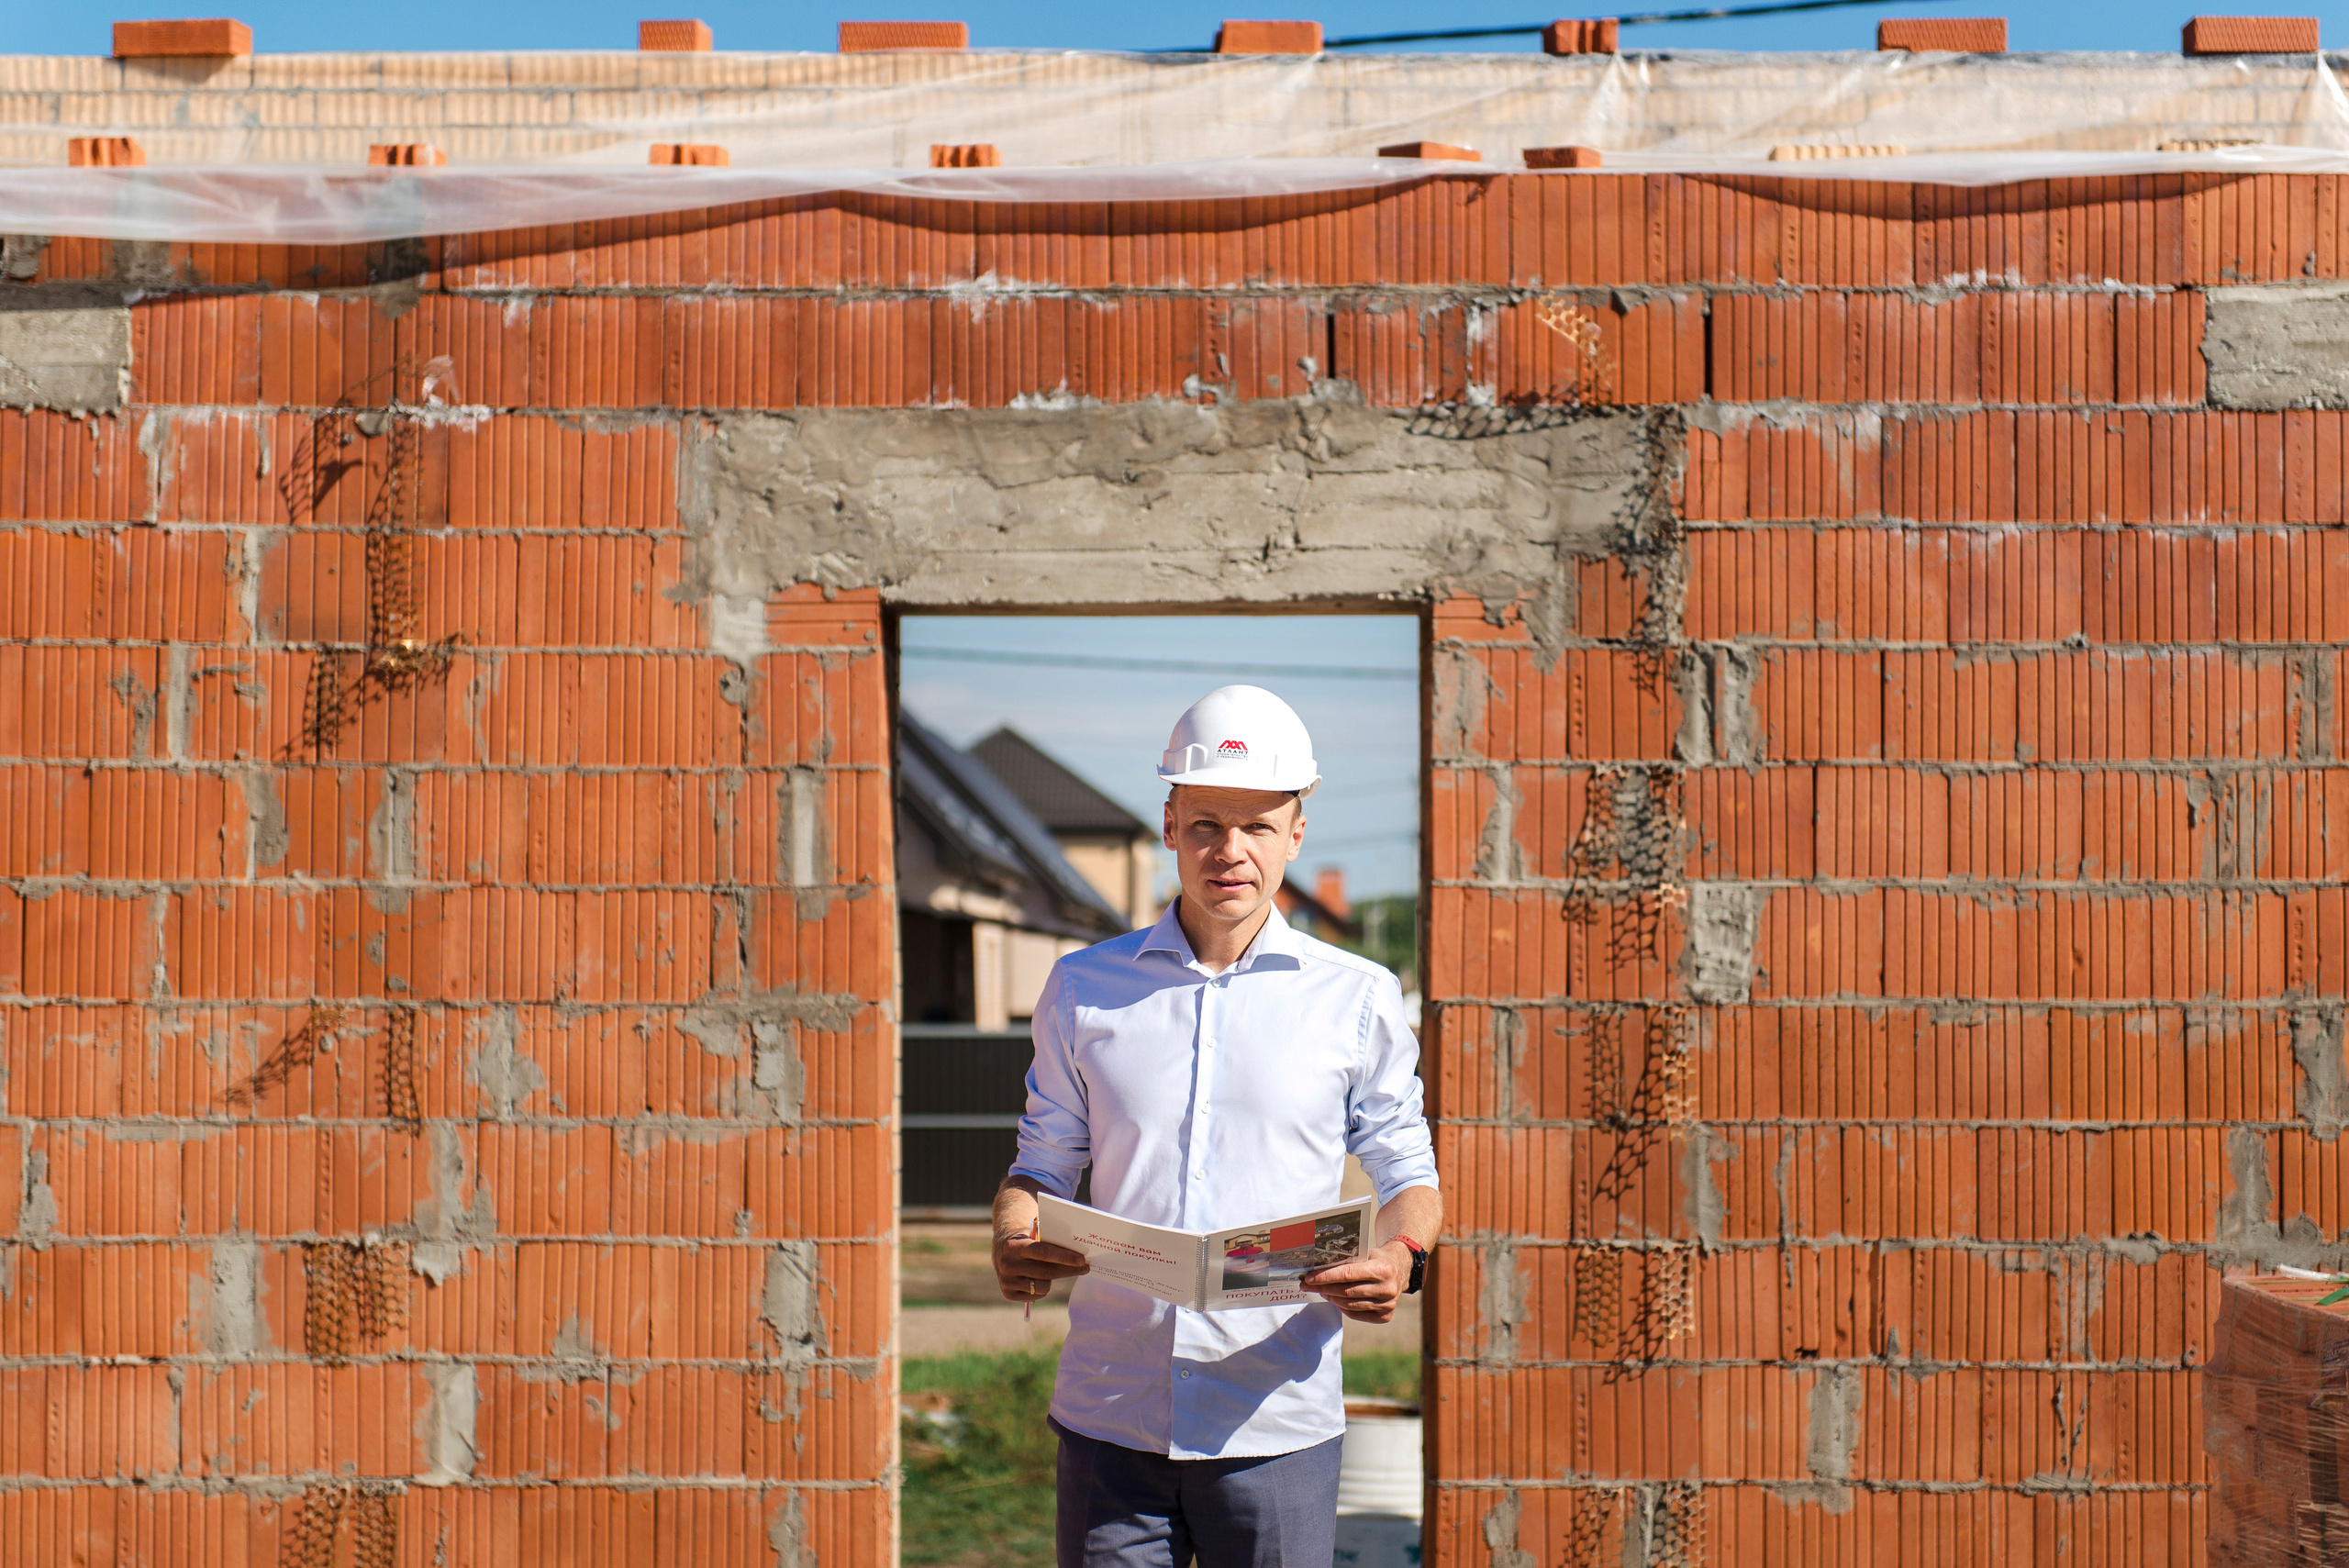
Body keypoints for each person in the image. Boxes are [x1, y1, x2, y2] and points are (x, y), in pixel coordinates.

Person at [991, 684, 1442, 1568]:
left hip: (1276, 1418)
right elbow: (1039, 1164)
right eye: (1205, 823)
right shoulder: (1085, 987)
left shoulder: (1357, 997)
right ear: (1168, 822)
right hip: (1111, 1417)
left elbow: (1408, 1172)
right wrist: (1014, 1230)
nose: (1228, 852)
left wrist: (1400, 1260)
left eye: (1257, 827)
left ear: (1296, 834)